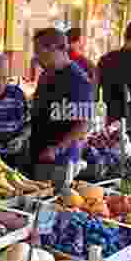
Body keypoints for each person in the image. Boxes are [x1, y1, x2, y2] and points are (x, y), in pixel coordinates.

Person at [29, 28, 93, 186]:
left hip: (60, 160)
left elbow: (83, 124)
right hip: (39, 153)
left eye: (39, 52)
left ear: (54, 49)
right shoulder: (46, 75)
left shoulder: (78, 80)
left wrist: (57, 148)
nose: (36, 58)